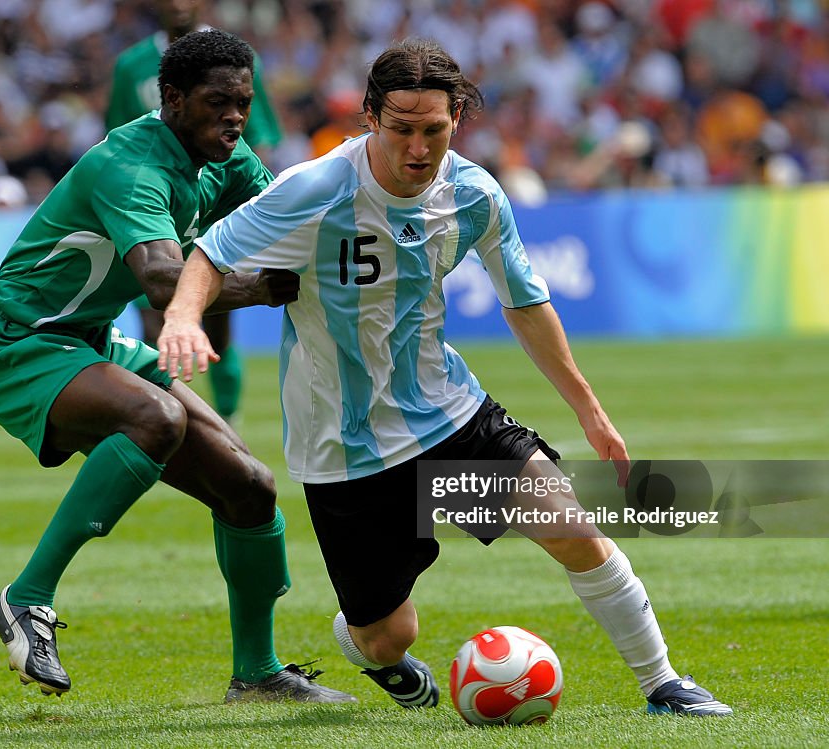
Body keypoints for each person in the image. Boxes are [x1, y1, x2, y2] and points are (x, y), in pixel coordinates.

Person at [156, 38, 732, 717]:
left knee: (575, 526)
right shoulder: (315, 190)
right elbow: (212, 252)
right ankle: (365, 643)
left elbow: (525, 302)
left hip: (447, 413)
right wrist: (183, 318)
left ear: (457, 117)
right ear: (370, 117)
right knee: (387, 634)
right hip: (347, 453)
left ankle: (663, 683)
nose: (419, 148)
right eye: (401, 128)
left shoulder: (473, 193)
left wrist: (590, 410)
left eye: (435, 129)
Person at [0, 29, 354, 705]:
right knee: (156, 416)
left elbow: (288, 220)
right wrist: (262, 288)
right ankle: (26, 598)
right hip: (18, 342)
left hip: (89, 339)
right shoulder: (133, 166)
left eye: (243, 101)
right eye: (216, 102)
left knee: (251, 487)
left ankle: (256, 673)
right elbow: (160, 278)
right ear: (171, 99)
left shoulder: (222, 158)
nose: (234, 116)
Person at [106, 0, 284, 428]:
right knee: (154, 320)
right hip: (150, 209)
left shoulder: (234, 60)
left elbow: (255, 137)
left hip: (212, 208)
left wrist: (244, 195)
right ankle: (166, 422)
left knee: (218, 327)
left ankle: (229, 420)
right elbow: (117, 133)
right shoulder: (132, 65)